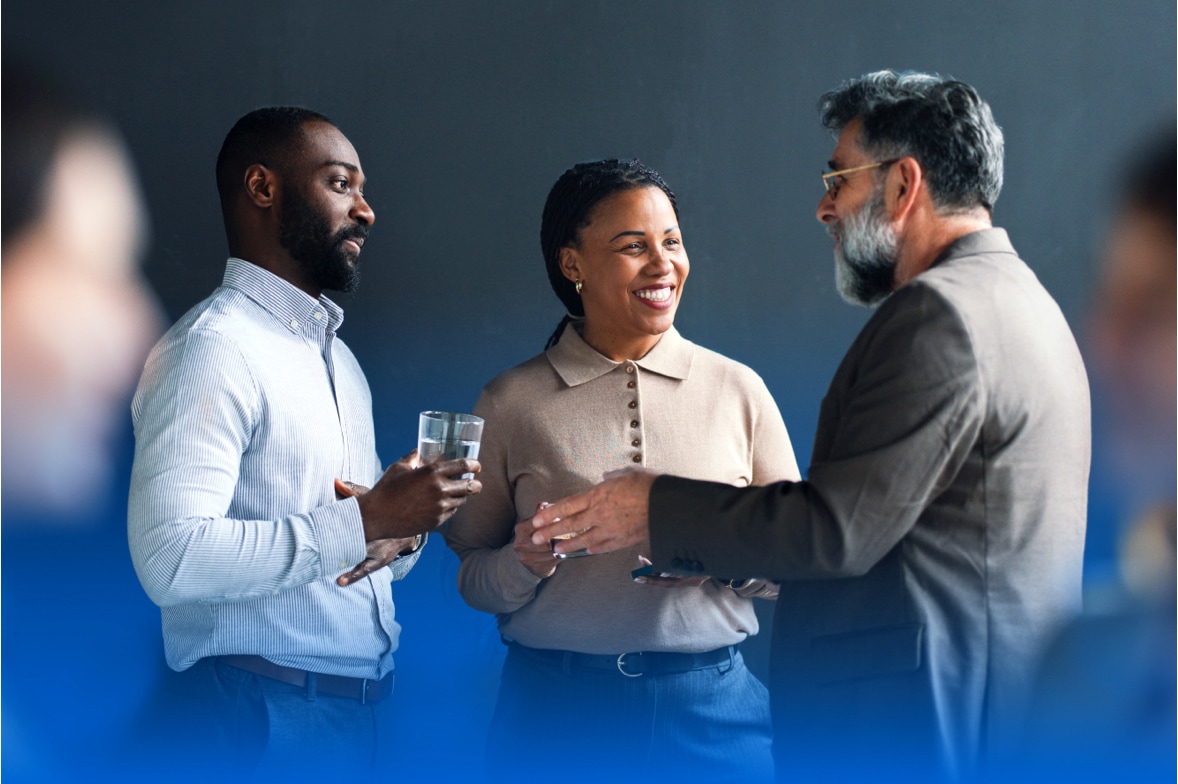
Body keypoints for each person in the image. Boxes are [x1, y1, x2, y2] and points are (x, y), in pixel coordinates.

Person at [531, 71, 1091, 782]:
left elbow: (837, 531)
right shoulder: (1023, 303)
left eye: (838, 180)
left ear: (902, 184)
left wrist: (653, 509)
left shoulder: (939, 316)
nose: (824, 208)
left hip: (918, 729)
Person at [126, 106, 481, 780]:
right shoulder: (212, 349)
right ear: (263, 187)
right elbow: (169, 559)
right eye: (341, 183)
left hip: (362, 720)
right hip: (256, 718)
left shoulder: (339, 362)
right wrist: (368, 518)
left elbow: (349, 552)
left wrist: (402, 527)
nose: (366, 211)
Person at [444, 159, 800, 783]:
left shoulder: (739, 390)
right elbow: (473, 575)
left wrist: (715, 551)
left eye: (672, 242)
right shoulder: (510, 401)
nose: (663, 265)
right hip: (554, 718)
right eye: (633, 247)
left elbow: (803, 564)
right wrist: (523, 562)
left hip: (714, 716)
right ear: (572, 264)